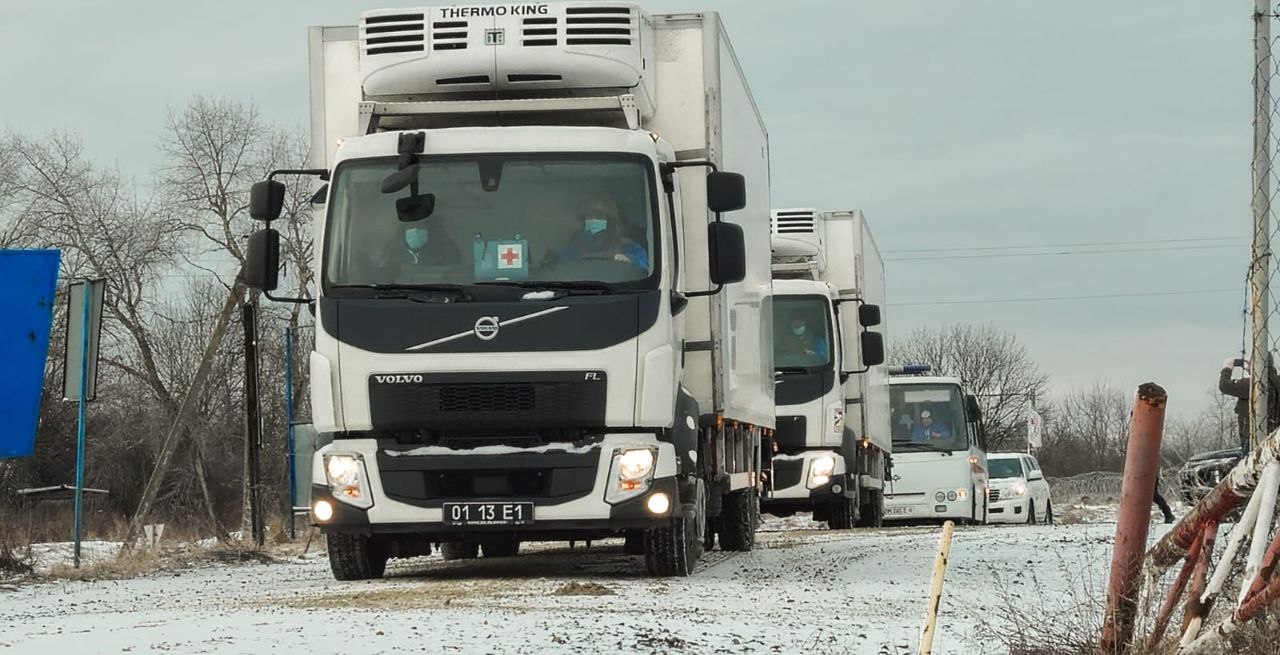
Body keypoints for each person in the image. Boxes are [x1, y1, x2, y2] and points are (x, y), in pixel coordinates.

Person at [558, 193, 648, 271]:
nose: (593, 220)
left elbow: (645, 265)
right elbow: (561, 266)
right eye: (589, 216)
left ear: (610, 220)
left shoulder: (625, 245)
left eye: (599, 215)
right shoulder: (576, 244)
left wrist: (628, 259)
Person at [1218, 356, 1280, 455]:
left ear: (1257, 365)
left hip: (1253, 438)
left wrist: (1228, 366)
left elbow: (1224, 386)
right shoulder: (1276, 381)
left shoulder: (1254, 385)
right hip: (1274, 437)